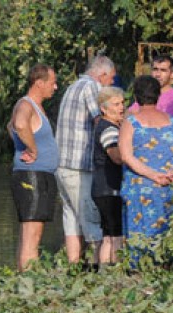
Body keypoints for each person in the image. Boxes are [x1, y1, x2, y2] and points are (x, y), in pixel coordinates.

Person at [119, 76, 173, 266]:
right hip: (171, 186)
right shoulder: (171, 122)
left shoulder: (131, 123)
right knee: (169, 234)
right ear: (157, 95)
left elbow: (126, 156)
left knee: (141, 235)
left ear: (136, 97)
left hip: (142, 188)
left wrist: (152, 175)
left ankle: (140, 273)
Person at [56, 55, 116, 265]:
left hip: (63, 165)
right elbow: (100, 118)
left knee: (71, 219)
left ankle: (74, 267)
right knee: (90, 217)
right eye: (111, 79)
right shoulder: (91, 87)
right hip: (78, 166)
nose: (112, 84)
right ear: (102, 75)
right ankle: (97, 269)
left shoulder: (73, 86)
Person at [8, 63, 59, 272]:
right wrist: (32, 148)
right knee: (32, 236)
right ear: (39, 83)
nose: (55, 88)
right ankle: (30, 284)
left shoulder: (34, 106)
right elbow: (19, 124)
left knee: (28, 234)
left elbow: (9, 126)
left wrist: (22, 145)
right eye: (53, 83)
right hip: (32, 176)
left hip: (38, 175)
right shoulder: (26, 104)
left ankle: (22, 280)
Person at [92, 87, 125, 267]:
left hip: (101, 188)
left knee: (108, 235)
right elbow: (116, 156)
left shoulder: (105, 126)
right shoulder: (108, 129)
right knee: (115, 236)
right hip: (109, 188)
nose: (121, 107)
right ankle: (115, 271)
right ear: (103, 109)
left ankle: (104, 274)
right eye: (116, 104)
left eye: (122, 103)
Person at [129, 55, 173, 121]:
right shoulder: (145, 93)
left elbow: (164, 123)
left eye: (163, 70)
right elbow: (129, 114)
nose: (158, 74)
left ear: (172, 74)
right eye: (155, 69)